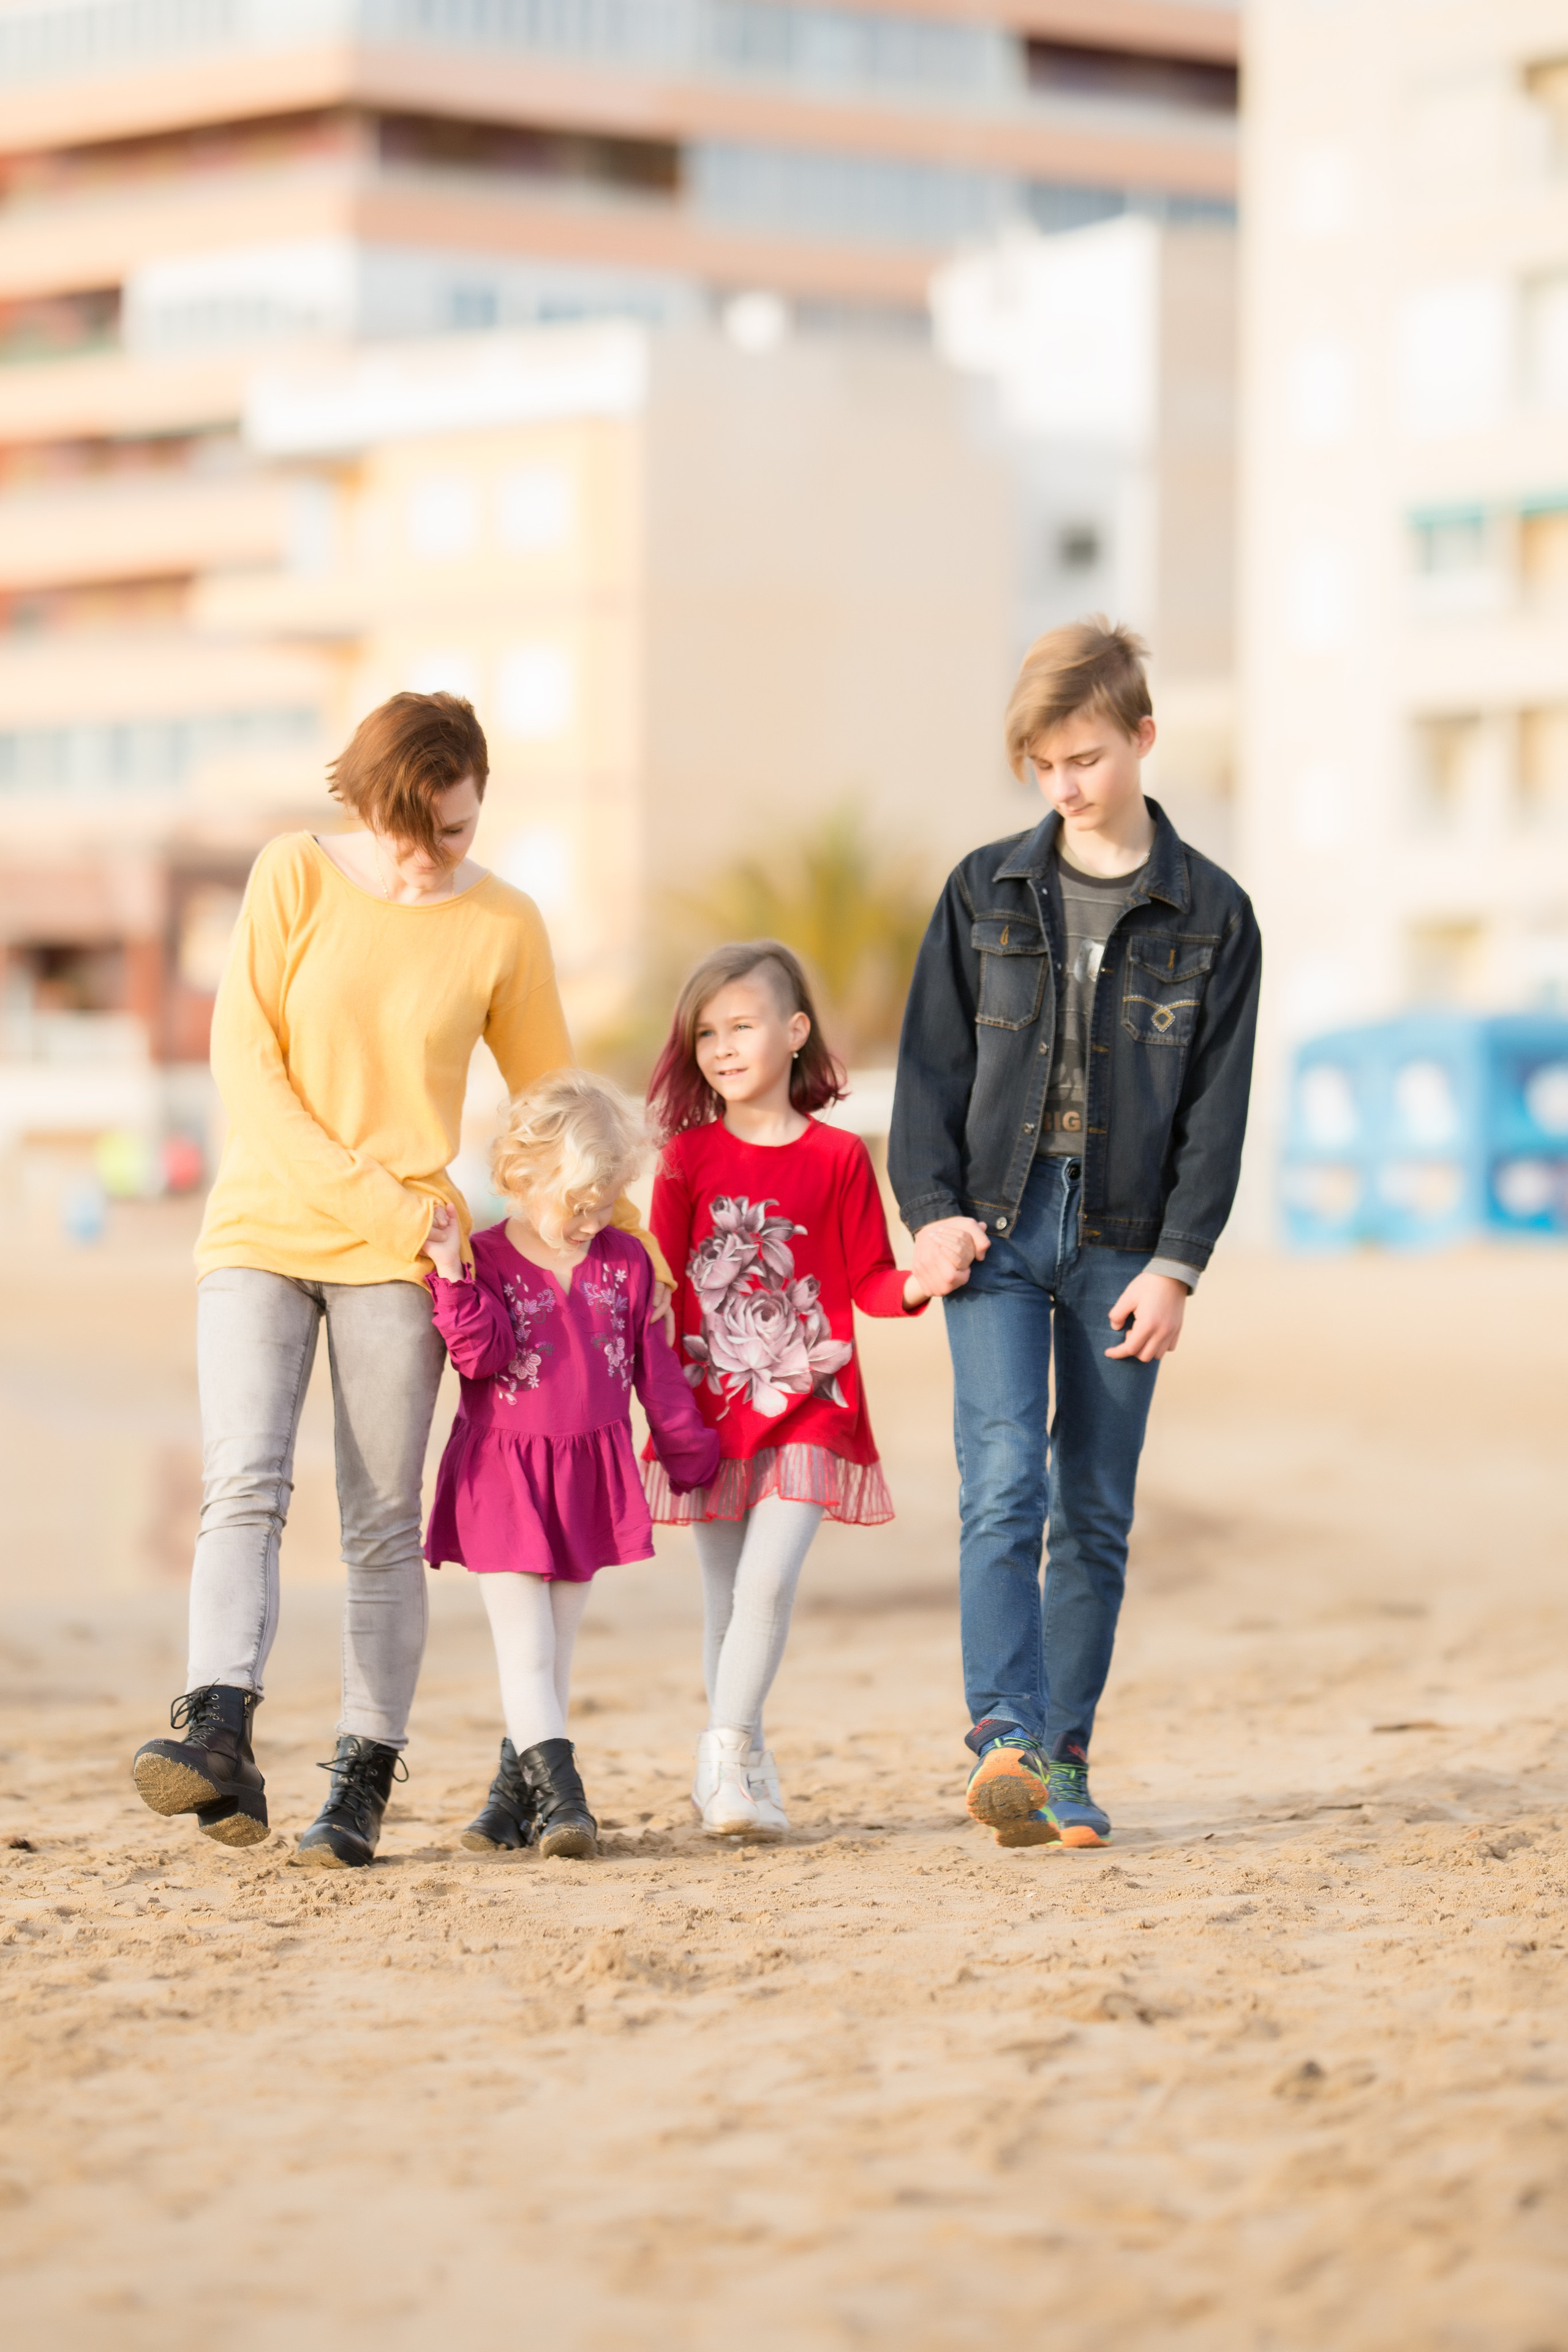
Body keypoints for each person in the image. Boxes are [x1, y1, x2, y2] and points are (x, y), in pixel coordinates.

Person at [130, 692, 669, 1868]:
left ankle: (358, 1786)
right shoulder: (291, 875)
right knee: (244, 1486)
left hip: (402, 1265)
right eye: (407, 834)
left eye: (457, 833)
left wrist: (639, 1242)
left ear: (480, 803)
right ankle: (216, 1726)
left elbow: (551, 1107)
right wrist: (380, 1200)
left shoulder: (505, 924)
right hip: (266, 1231)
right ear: (366, 803)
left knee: (379, 1525)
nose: (429, 862)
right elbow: (248, 1069)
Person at [889, 619, 1261, 1849]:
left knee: (1091, 1505)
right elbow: (929, 1075)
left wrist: (1176, 1268)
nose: (1064, 785)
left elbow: (1215, 1109)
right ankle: (1001, 1736)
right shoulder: (980, 888)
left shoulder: (1215, 915)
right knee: (1000, 1484)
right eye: (1043, 764)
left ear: (1142, 739)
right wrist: (931, 1216)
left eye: (1086, 757)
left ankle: (1062, 1762)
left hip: (1122, 1242)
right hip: (993, 1231)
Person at [643, 940, 930, 1841]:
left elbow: (874, 1282)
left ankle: (722, 1750)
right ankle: (747, 1770)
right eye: (706, 1035)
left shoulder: (841, 1157)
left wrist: (925, 1278)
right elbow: (658, 1288)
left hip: (812, 1403)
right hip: (710, 1408)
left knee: (767, 1585)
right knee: (726, 1602)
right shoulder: (685, 1160)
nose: (723, 1049)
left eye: (743, 1025)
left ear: (796, 1030)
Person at [422, 1070, 720, 1859]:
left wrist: (690, 1451)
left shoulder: (628, 1265)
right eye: (576, 1204)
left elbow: (655, 1373)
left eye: (603, 1203)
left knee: (552, 1656)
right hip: (503, 1479)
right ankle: (566, 1805)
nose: (591, 1221)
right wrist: (451, 1271)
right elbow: (479, 1357)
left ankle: (503, 1805)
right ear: (522, 1179)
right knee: (526, 1652)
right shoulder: (484, 1259)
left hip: (588, 1476)